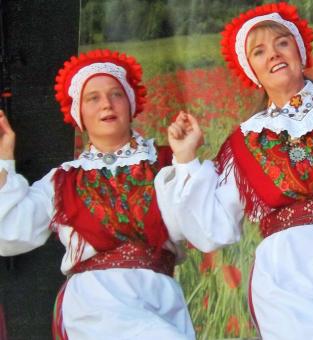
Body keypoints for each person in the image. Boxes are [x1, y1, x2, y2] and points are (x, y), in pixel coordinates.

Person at [155, 2, 313, 339]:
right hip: (284, 269)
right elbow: (214, 227)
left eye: (282, 43)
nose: (273, 54)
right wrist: (185, 159)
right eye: (259, 51)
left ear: (300, 52)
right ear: (252, 71)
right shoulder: (244, 142)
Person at [0, 49, 194, 339]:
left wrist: (187, 159)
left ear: (130, 103)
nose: (106, 104)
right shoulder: (63, 180)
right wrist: (4, 158)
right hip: (96, 303)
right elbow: (8, 234)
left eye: (116, 94)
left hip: (161, 298)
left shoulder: (166, 162)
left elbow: (200, 224)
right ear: (79, 113)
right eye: (93, 97)